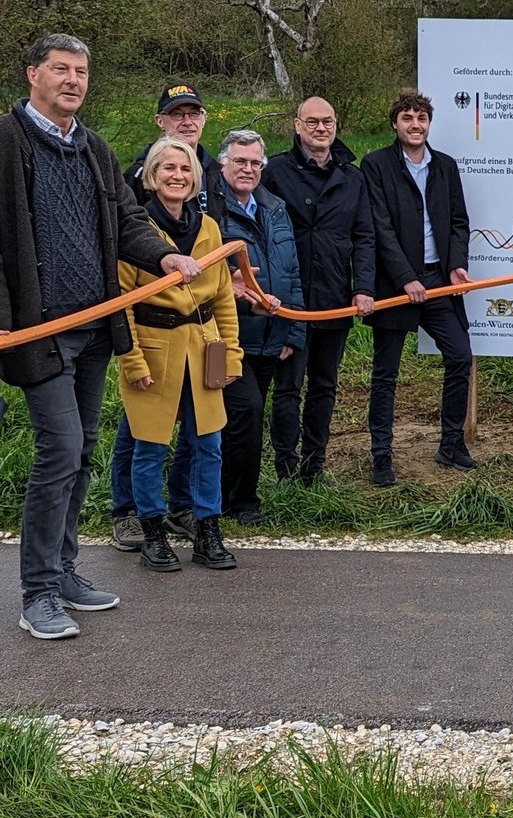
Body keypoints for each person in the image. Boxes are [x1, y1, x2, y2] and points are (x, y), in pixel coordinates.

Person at [0, 34, 199, 643]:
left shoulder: (93, 146)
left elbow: (126, 222)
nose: (72, 80)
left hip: (95, 328)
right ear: (32, 72)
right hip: (40, 332)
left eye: (81, 72)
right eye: (60, 69)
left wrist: (164, 259)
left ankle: (64, 573)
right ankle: (36, 593)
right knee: (60, 450)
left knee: (84, 448)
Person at [116, 139, 242, 572]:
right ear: (152, 175)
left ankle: (207, 529)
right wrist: (132, 360)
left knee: (209, 444)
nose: (177, 176)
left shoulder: (209, 227)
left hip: (204, 348)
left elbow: (224, 296)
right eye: (167, 168)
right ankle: (152, 531)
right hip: (155, 348)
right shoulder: (136, 230)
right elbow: (123, 302)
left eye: (185, 169)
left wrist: (232, 355)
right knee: (150, 446)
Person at [106, 83, 217, 547]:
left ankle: (182, 510)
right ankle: (128, 513)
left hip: (199, 334)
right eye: (177, 114)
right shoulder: (137, 176)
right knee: (140, 429)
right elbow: (126, 254)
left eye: (194, 113)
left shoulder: (209, 168)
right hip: (151, 332)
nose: (187, 121)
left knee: (199, 432)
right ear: (161, 122)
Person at [260, 95, 376, 484]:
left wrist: (364, 288)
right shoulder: (274, 171)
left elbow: (364, 236)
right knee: (288, 386)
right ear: (297, 126)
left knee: (325, 384)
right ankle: (285, 465)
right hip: (290, 298)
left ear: (336, 125)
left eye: (327, 122)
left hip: (334, 296)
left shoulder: (353, 177)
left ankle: (314, 464)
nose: (320, 129)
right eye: (312, 122)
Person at [362, 90, 475, 483]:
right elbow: (379, 228)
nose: (415, 124)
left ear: (429, 123)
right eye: (407, 117)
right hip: (395, 284)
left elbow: (459, 222)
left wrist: (457, 266)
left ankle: (450, 445)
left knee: (461, 356)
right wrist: (404, 277)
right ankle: (381, 455)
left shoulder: (446, 166)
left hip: (438, 280)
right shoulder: (375, 165)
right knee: (386, 373)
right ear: (395, 123)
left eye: (421, 117)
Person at [212, 129, 305, 525]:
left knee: (249, 415)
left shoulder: (275, 208)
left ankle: (228, 499)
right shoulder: (210, 210)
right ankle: (235, 502)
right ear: (223, 164)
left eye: (254, 163)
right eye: (239, 161)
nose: (247, 169)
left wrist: (293, 330)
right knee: (238, 412)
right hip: (222, 339)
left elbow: (292, 271)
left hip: (271, 335)